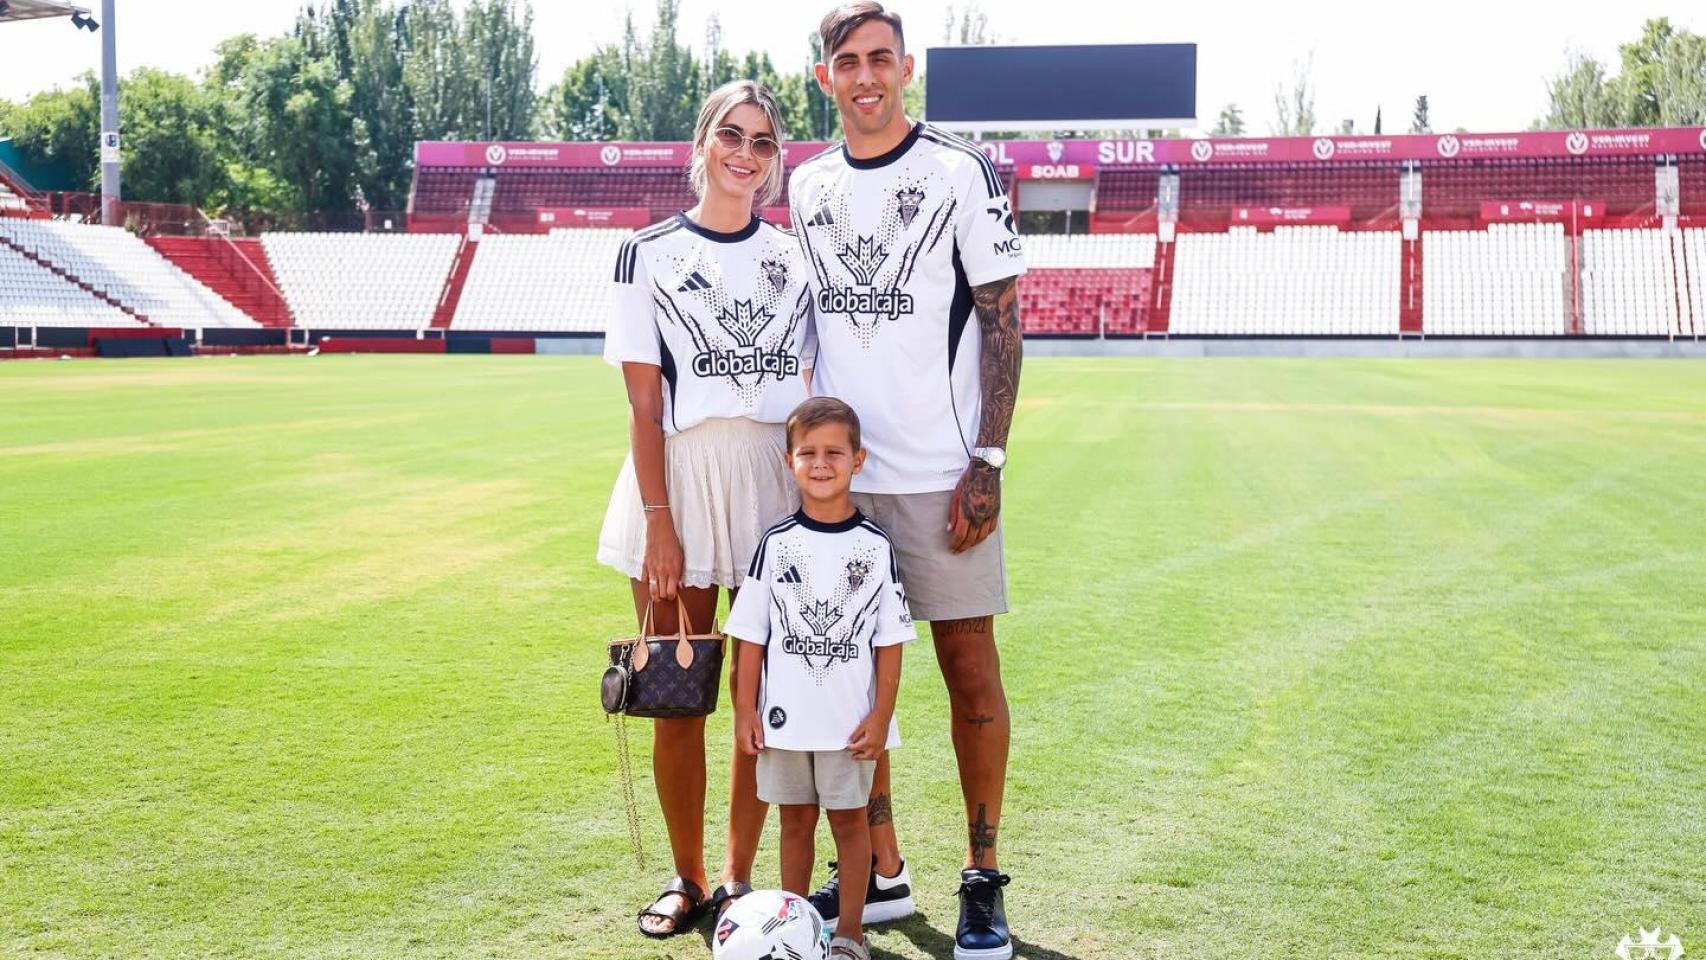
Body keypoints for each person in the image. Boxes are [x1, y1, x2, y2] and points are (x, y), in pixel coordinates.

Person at [787, 4, 1028, 958]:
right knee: (848, 683)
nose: (866, 77)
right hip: (842, 485)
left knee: (968, 669)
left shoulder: (958, 174)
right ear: (825, 78)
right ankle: (878, 872)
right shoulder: (805, 187)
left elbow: (1004, 319)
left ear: (908, 67)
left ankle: (981, 878)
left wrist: (991, 459)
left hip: (942, 473)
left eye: (881, 58)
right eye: (848, 63)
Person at [596, 79, 816, 939]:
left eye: (764, 143)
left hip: (769, 474)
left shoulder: (796, 256)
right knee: (677, 688)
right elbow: (643, 409)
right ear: (702, 141)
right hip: (678, 480)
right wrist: (659, 518)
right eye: (733, 135)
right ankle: (685, 878)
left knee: (763, 696)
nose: (746, 155)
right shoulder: (643, 253)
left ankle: (736, 878)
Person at [727, 397, 915, 960]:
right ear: (790, 462)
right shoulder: (775, 544)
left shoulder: (876, 548)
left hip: (848, 726)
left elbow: (890, 644)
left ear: (858, 459)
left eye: (834, 452)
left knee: (850, 828)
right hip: (785, 723)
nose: (821, 463)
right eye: (807, 452)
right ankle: (795, 931)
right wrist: (744, 709)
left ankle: (849, 935)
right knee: (795, 826)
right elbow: (751, 638)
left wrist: (881, 717)